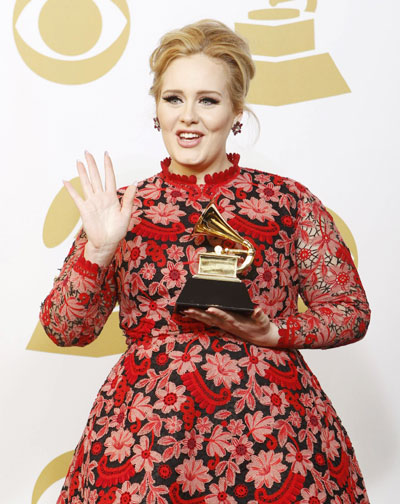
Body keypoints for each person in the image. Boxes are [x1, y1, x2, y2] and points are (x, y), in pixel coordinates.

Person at [40, 19, 371, 504]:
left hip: (273, 440)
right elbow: (66, 330)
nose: (188, 117)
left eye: (207, 100)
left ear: (236, 111)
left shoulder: (286, 201)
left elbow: (350, 310)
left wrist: (276, 333)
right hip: (146, 444)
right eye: (173, 98)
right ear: (156, 108)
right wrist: (99, 251)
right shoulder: (123, 208)